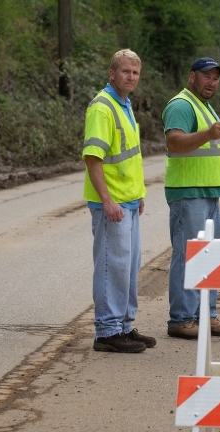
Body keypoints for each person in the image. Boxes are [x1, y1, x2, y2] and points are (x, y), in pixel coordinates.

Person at [83, 49, 156, 353]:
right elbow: (93, 158)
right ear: (112, 73)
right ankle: (108, 331)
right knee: (112, 266)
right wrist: (108, 201)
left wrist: (138, 195)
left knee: (128, 266)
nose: (131, 77)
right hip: (111, 205)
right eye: (125, 71)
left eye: (135, 73)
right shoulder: (102, 107)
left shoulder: (123, 105)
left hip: (128, 202)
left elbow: (129, 158)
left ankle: (124, 325)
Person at [162, 57, 220, 339]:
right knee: (188, 257)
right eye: (207, 76)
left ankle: (207, 315)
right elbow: (175, 142)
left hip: (209, 192)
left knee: (210, 257)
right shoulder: (181, 105)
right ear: (192, 76)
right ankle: (181, 319)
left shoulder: (205, 106)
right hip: (188, 193)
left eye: (216, 78)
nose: (212, 82)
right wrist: (208, 133)